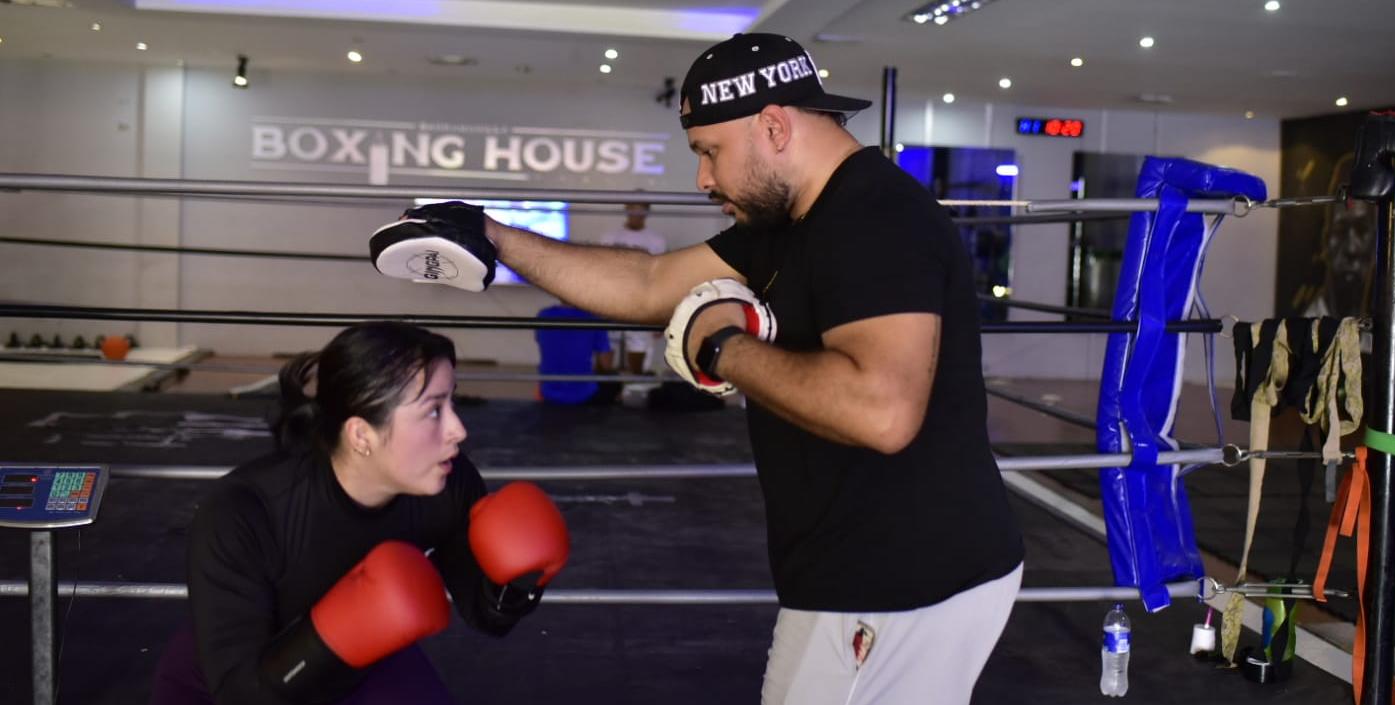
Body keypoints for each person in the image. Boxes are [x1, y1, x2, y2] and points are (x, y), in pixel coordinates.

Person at [370, 32, 1024, 705]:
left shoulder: (873, 219)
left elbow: (881, 413)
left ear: (773, 126)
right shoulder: (792, 220)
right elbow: (653, 283)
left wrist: (721, 346)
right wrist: (493, 234)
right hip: (855, 571)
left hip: (904, 581)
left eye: (709, 152)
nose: (702, 179)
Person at [150, 322, 569, 705]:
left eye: (452, 403)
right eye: (434, 410)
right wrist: (346, 630)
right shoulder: (243, 514)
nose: (459, 430)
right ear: (361, 435)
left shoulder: (447, 484)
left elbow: (486, 615)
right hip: (233, 685)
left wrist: (520, 581)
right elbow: (242, 694)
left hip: (365, 658)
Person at [596, 201, 668, 374]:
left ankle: (635, 386)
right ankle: (605, 388)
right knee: (606, 341)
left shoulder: (656, 241)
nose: (636, 212)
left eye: (641, 208)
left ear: (647, 211)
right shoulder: (609, 238)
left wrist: (659, 315)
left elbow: (661, 278)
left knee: (638, 341)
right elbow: (597, 271)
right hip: (610, 299)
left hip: (640, 300)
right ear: (626, 208)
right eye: (633, 207)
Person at [534, 299, 616, 404]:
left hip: (548, 392)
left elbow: (541, 342)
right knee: (613, 380)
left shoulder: (543, 315)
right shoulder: (593, 318)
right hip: (583, 394)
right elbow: (606, 365)